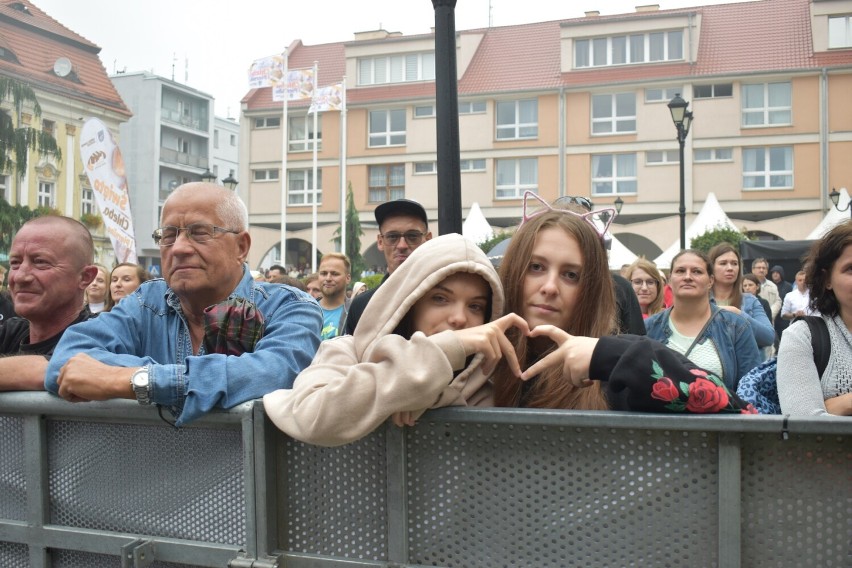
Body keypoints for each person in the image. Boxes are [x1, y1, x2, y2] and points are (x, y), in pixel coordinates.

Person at [44, 182, 323, 426]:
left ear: (241, 247)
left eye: (199, 232)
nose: (179, 248)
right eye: (167, 235)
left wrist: (136, 381)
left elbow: (272, 373)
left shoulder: (290, 307)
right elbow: (67, 360)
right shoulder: (145, 302)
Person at [264, 233, 526, 446]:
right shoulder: (346, 351)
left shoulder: (486, 385)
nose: (459, 318)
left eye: (476, 306)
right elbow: (312, 418)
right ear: (409, 301)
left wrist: (427, 396)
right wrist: (410, 381)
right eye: (440, 299)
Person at [0, 216, 97, 390]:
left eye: (40, 262)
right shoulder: (9, 333)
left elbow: (64, 370)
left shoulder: (102, 334)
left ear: (85, 277)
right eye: (15, 263)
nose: (21, 276)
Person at [646, 249, 762, 391]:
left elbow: (752, 390)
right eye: (680, 271)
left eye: (697, 272)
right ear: (670, 280)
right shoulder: (648, 328)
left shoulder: (737, 326)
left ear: (711, 281)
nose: (687, 277)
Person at [777, 222, 852, 416]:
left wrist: (838, 405)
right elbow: (804, 423)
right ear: (827, 279)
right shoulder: (802, 336)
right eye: (850, 269)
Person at [343, 199, 432, 334]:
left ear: (428, 239)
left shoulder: (445, 300)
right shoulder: (362, 306)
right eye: (392, 237)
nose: (402, 245)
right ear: (380, 241)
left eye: (412, 236)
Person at [708, 243, 775, 352]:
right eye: (723, 263)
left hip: (747, 366)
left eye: (734, 263)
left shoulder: (750, 301)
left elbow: (768, 337)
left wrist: (739, 315)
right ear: (711, 267)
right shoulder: (701, 301)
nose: (730, 268)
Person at [317, 252, 351, 340]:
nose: (328, 278)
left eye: (335, 274)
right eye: (323, 273)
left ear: (348, 278)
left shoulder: (354, 312)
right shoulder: (307, 309)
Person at [751, 257, 782, 323]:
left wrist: (769, 313)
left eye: (764, 268)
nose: (761, 270)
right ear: (753, 270)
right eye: (759, 268)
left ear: (767, 271)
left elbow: (778, 302)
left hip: (768, 321)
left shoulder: (772, 286)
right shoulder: (746, 284)